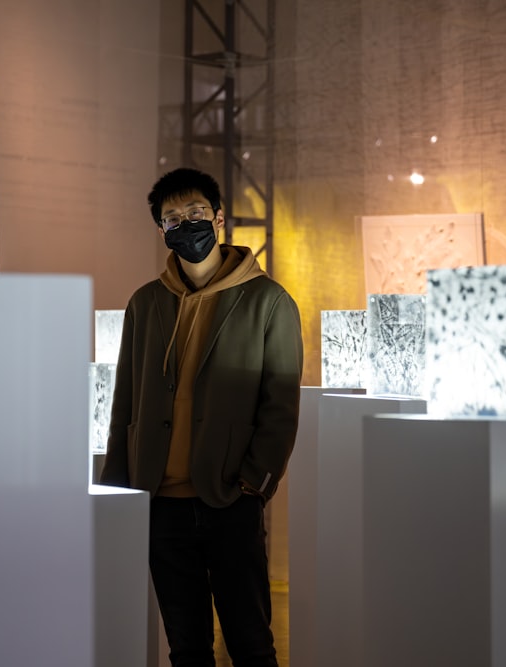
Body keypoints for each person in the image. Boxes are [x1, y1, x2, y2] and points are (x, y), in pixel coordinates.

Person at [100, 167, 303, 667]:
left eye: (194, 213)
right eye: (172, 218)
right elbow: (125, 399)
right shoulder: (145, 303)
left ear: (218, 219)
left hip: (229, 499)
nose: (185, 224)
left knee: (250, 642)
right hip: (160, 503)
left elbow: (280, 406)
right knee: (186, 647)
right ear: (162, 230)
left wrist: (254, 484)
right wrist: (118, 490)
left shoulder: (268, 301)